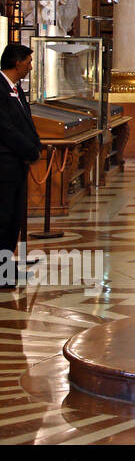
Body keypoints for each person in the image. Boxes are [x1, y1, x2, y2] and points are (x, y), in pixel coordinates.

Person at [0, 44, 41, 290]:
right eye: (28, 62)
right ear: (17, 63)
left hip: (17, 165)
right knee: (3, 219)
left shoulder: (17, 89)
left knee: (14, 219)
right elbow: (5, 129)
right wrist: (29, 149)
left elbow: (26, 122)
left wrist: (34, 145)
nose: (30, 66)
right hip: (4, 165)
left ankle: (8, 268)